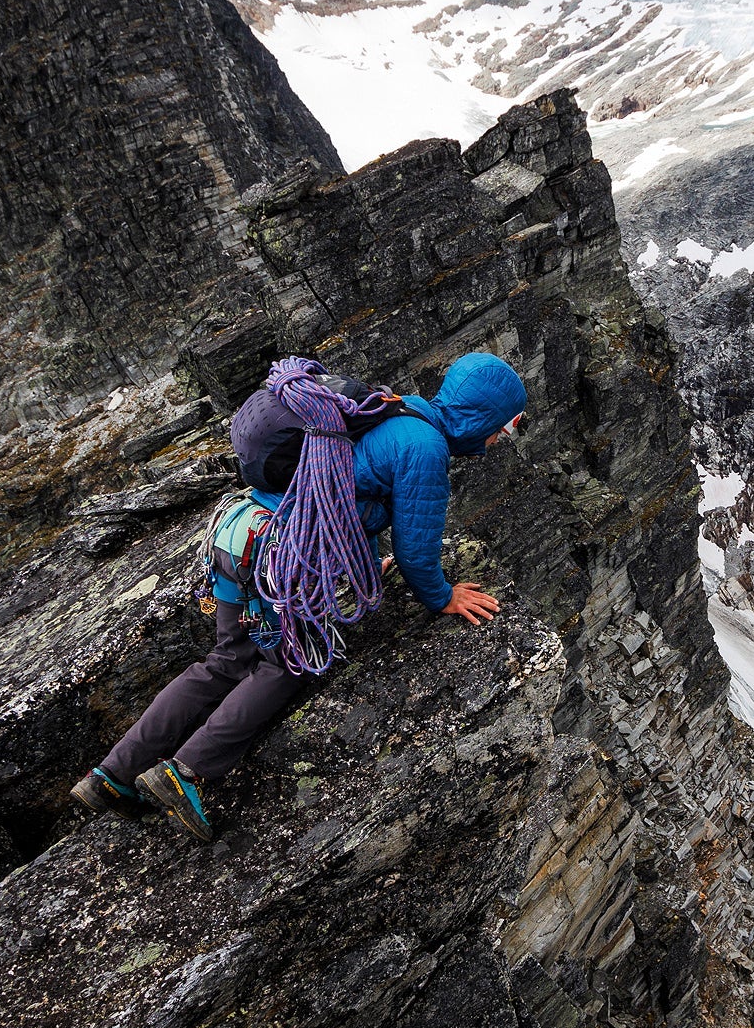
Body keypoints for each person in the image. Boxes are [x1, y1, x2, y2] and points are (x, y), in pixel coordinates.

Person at [70, 353, 529, 837]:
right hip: (279, 554)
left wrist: (366, 565)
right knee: (287, 665)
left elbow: (345, 489)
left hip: (237, 533)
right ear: (481, 417)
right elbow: (415, 551)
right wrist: (442, 597)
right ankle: (183, 772)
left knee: (224, 661)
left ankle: (109, 777)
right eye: (506, 426)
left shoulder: (395, 407)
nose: (501, 438)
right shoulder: (425, 447)